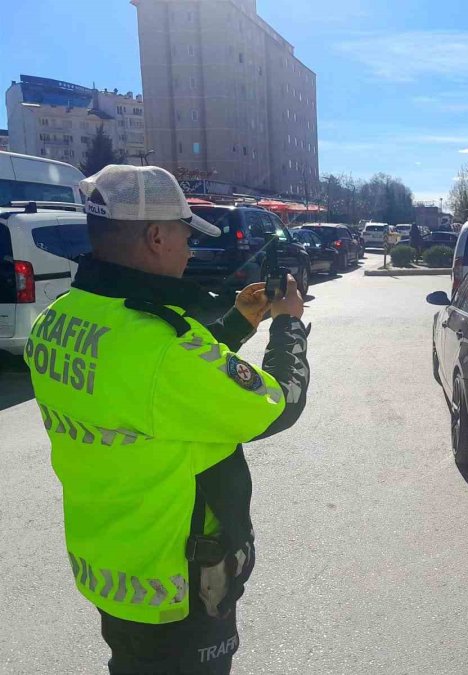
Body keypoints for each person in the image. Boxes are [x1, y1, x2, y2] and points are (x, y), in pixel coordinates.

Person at [24, 165, 310, 674]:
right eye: (184, 234)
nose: (188, 249)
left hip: (109, 568)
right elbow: (277, 405)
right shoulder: (163, 348)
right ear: (156, 235)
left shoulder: (61, 317)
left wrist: (237, 323)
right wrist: (289, 324)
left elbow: (158, 390)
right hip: (176, 587)